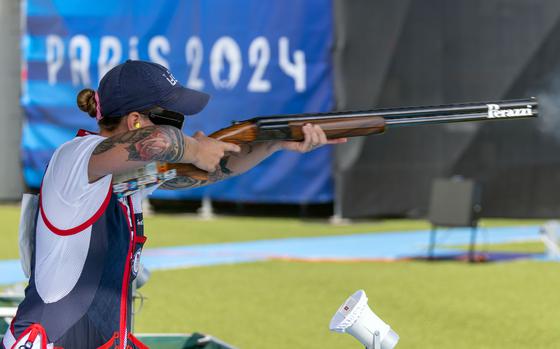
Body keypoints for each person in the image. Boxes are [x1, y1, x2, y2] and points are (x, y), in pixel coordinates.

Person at [2, 60, 346, 349]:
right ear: (136, 121)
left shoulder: (125, 179)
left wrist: (277, 142)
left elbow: (215, 169)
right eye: (175, 118)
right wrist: (195, 148)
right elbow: (161, 141)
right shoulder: (76, 159)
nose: (182, 126)